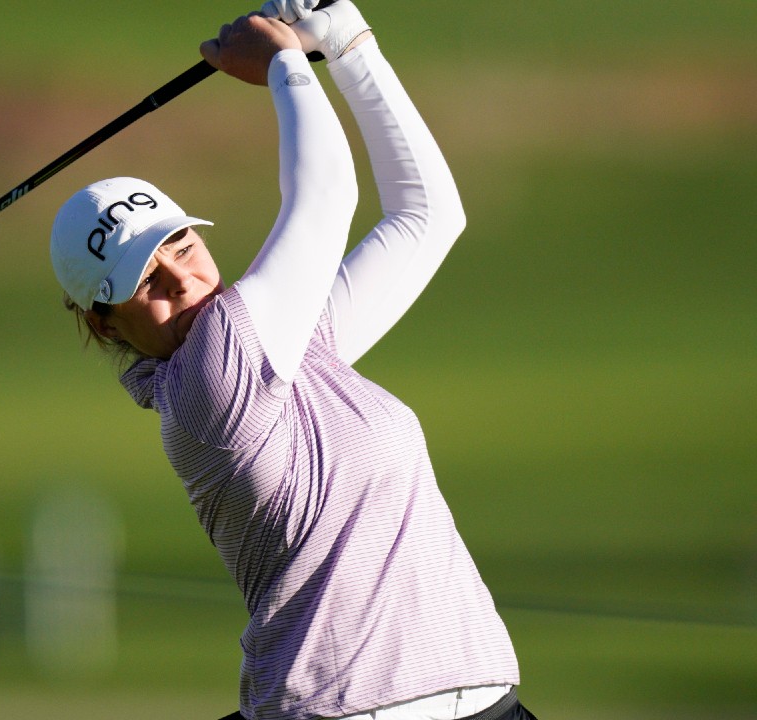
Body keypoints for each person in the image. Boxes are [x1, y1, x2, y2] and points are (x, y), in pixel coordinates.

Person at [48, 2, 537, 719]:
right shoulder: (209, 384)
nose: (184, 280)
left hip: (488, 701)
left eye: (182, 246)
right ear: (107, 322)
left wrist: (350, 45)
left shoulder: (294, 344)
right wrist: (282, 62)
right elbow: (328, 196)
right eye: (148, 282)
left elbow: (428, 215)